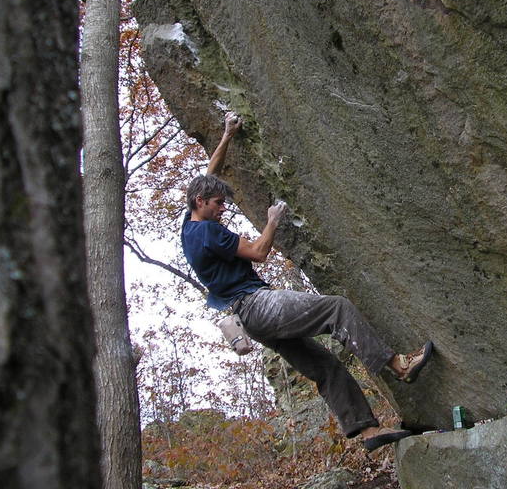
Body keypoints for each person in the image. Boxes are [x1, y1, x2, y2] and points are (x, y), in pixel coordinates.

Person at [181, 112, 433, 452]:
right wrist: (273, 219)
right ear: (201, 203)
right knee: (336, 309)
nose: (223, 209)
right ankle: (397, 365)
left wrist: (226, 136)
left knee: (323, 366)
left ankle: (366, 432)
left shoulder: (189, 227)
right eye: (218, 204)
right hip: (256, 305)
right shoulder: (210, 231)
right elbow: (258, 252)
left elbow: (207, 175)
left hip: (251, 322)